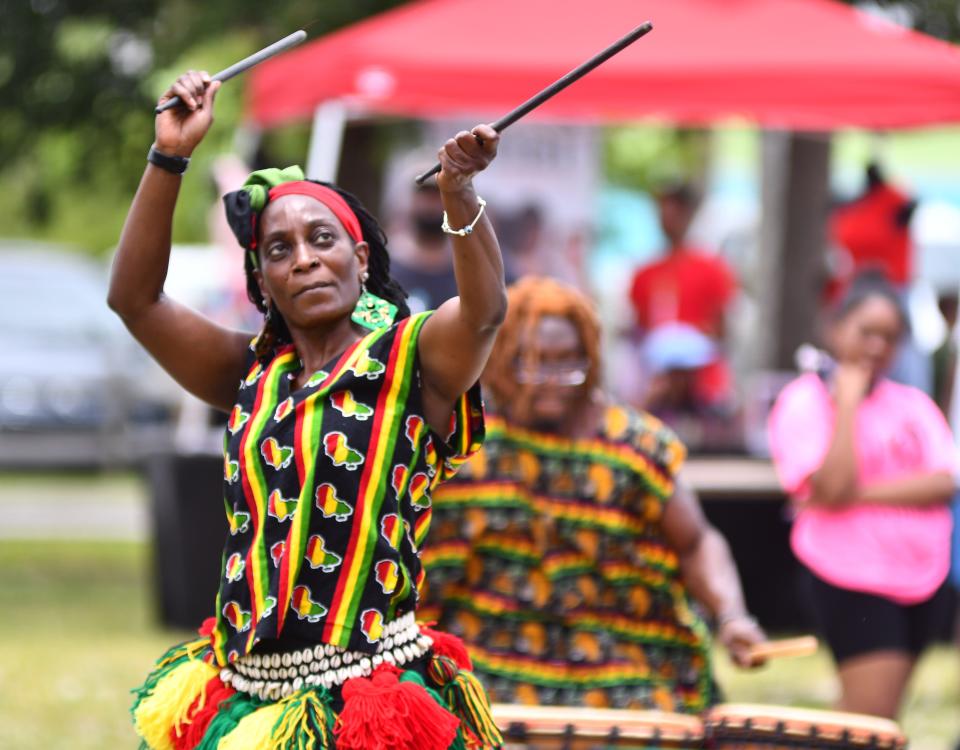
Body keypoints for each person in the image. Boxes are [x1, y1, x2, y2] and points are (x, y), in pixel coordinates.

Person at [109, 70, 507, 750]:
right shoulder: (250, 373)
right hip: (247, 692)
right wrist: (169, 156)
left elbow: (484, 312)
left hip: (370, 698)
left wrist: (459, 196)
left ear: (358, 256)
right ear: (261, 280)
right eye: (278, 250)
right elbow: (135, 301)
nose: (303, 261)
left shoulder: (413, 359)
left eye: (321, 240)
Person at [419, 276, 765, 713]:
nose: (553, 381)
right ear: (503, 359)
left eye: (568, 363)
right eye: (534, 362)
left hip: (627, 664)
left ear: (591, 360)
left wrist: (732, 616)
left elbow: (697, 541)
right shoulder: (467, 445)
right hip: (490, 661)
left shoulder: (635, 446)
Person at [768, 270, 957, 720]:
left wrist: (860, 493)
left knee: (873, 718)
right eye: (866, 332)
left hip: (923, 577)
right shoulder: (804, 400)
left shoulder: (912, 403)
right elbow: (830, 487)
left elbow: (944, 481)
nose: (877, 347)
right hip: (852, 576)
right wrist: (848, 401)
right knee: (869, 721)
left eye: (890, 338)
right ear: (836, 329)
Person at [628, 182, 737, 411]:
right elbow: (638, 330)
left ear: (688, 214)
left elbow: (723, 329)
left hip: (703, 386)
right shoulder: (645, 274)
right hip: (657, 384)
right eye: (663, 209)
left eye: (676, 210)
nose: (668, 217)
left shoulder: (712, 268)